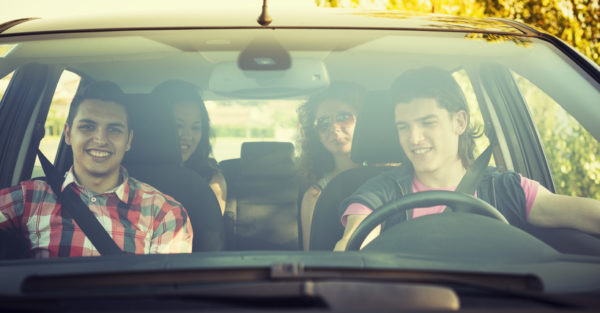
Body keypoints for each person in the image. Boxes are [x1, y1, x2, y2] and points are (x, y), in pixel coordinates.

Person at [334, 67, 600, 251]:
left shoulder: (505, 189)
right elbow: (354, 242)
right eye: (403, 126)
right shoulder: (380, 192)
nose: (414, 138)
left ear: (459, 121)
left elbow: (588, 216)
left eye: (428, 122)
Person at [0, 81, 193, 258]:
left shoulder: (164, 213)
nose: (100, 139)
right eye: (87, 127)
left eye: (114, 129)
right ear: (68, 134)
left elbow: (164, 292)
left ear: (129, 140)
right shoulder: (30, 198)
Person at [297, 82, 365, 250]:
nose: (334, 128)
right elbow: (311, 259)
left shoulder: (397, 179)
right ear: (316, 135)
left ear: (364, 120)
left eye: (343, 117)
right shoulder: (315, 195)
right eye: (323, 122)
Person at [152, 80, 227, 214]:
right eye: (178, 126)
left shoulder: (210, 180)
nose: (188, 136)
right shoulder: (126, 176)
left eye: (195, 127)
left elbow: (211, 232)